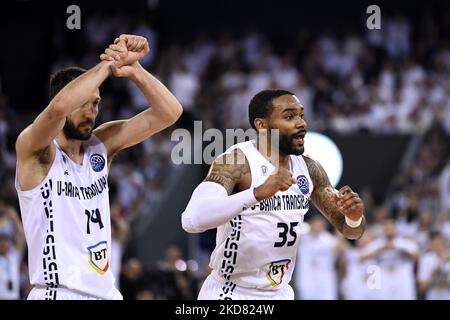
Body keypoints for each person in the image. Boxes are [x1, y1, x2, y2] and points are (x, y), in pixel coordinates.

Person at [14, 34, 182, 300]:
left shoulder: (101, 144)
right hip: (59, 292)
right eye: (82, 104)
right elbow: (58, 107)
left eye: (95, 103)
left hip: (106, 292)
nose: (91, 112)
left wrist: (134, 70)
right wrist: (108, 63)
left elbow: (170, 112)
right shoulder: (36, 150)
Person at [181, 89, 365, 300]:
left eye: (301, 115)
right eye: (289, 116)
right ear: (261, 125)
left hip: (279, 292)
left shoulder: (309, 168)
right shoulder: (236, 161)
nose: (301, 123)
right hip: (232, 292)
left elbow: (351, 231)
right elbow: (191, 219)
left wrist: (353, 217)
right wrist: (256, 194)